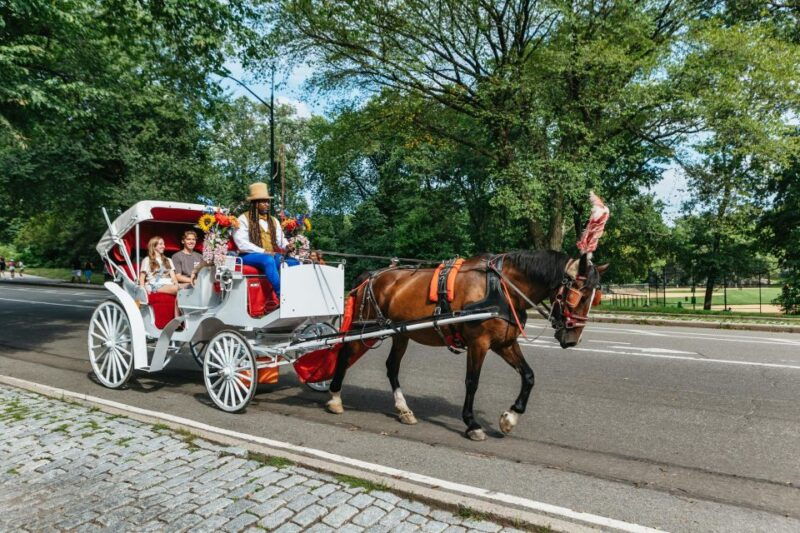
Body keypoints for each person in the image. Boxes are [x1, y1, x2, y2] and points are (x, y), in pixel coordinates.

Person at [232, 182, 299, 295]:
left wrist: (287, 245)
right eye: (263, 201)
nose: (267, 204)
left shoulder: (273, 220)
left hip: (270, 254)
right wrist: (264, 252)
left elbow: (280, 238)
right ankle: (281, 295)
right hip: (248, 255)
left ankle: (295, 292)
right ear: (255, 203)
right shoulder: (243, 218)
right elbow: (242, 244)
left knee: (294, 263)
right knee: (267, 260)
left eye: (267, 201)